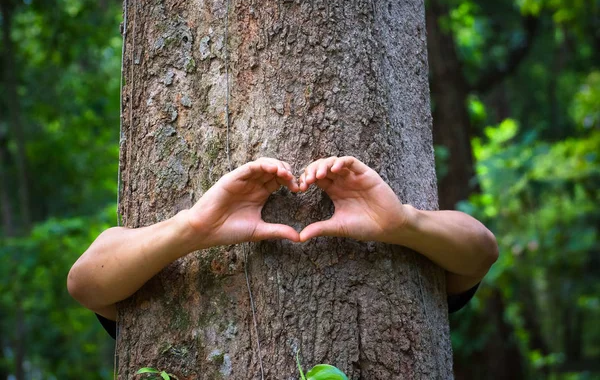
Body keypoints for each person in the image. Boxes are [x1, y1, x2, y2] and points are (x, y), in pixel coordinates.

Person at [68, 156, 498, 339]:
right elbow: (87, 283)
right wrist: (195, 226)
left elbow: (480, 251)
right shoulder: (134, 277)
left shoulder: (430, 263)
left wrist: (402, 223)